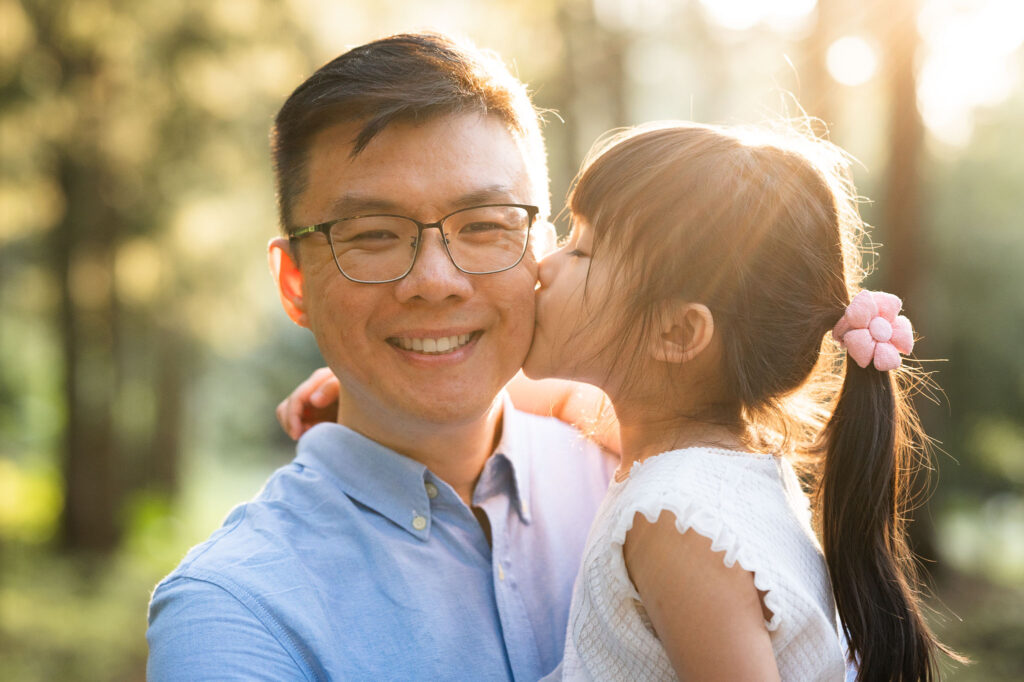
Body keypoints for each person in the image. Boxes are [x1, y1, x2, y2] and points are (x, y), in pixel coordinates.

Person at [284, 122, 954, 680]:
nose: (546, 265)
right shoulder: (720, 469)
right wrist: (398, 381)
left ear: (677, 332)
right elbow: (567, 402)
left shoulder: (674, 522)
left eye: (585, 250)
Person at [146, 33, 616, 681]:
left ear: (541, 249)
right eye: (371, 235)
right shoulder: (235, 611)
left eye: (482, 225)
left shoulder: (637, 472)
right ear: (294, 284)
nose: (435, 280)